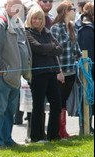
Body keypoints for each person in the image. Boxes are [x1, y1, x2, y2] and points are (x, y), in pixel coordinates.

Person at [0, 0, 32, 150]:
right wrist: (0, 68)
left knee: (9, 110)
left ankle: (6, 138)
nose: (15, 8)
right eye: (12, 5)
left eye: (18, 5)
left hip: (13, 75)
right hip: (0, 74)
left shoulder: (17, 22)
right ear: (5, 6)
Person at [25, 6, 63, 142]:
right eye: (34, 18)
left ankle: (53, 135)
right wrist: (50, 48)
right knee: (38, 106)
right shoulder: (27, 32)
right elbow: (38, 48)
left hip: (51, 72)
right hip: (38, 74)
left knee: (57, 104)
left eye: (39, 19)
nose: (37, 21)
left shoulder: (46, 32)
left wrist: (46, 49)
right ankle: (36, 137)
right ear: (30, 19)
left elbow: (59, 48)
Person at [51, 1, 82, 139]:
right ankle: (58, 130)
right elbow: (54, 52)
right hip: (61, 70)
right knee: (59, 100)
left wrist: (82, 61)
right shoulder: (55, 28)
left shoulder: (72, 27)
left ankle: (62, 130)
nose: (75, 11)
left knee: (64, 101)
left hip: (71, 69)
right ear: (65, 11)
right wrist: (59, 71)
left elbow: (76, 49)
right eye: (72, 9)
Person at [75, 1, 94, 133]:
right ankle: (85, 127)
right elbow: (88, 52)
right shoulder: (87, 28)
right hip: (89, 69)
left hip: (90, 68)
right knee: (87, 97)